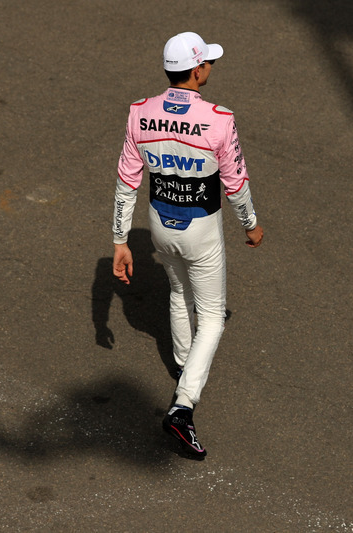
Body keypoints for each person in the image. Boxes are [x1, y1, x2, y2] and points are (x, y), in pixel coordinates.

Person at [111, 31, 263, 458]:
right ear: (197, 70)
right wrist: (251, 225)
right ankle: (183, 406)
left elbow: (126, 181)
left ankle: (183, 366)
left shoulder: (140, 113)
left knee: (179, 293)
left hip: (159, 224)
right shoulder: (220, 118)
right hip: (201, 231)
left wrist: (121, 240)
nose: (211, 67)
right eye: (208, 62)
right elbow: (235, 182)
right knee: (212, 316)